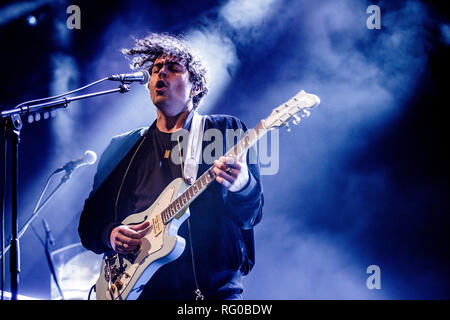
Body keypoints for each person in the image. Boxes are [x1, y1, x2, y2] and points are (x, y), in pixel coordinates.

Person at [78, 33, 264, 300]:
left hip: (211, 292)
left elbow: (252, 214)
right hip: (140, 292)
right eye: (155, 70)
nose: (160, 73)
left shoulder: (224, 131)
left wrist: (243, 186)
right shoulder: (122, 147)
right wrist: (111, 234)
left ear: (196, 87)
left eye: (173, 68)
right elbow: (88, 224)